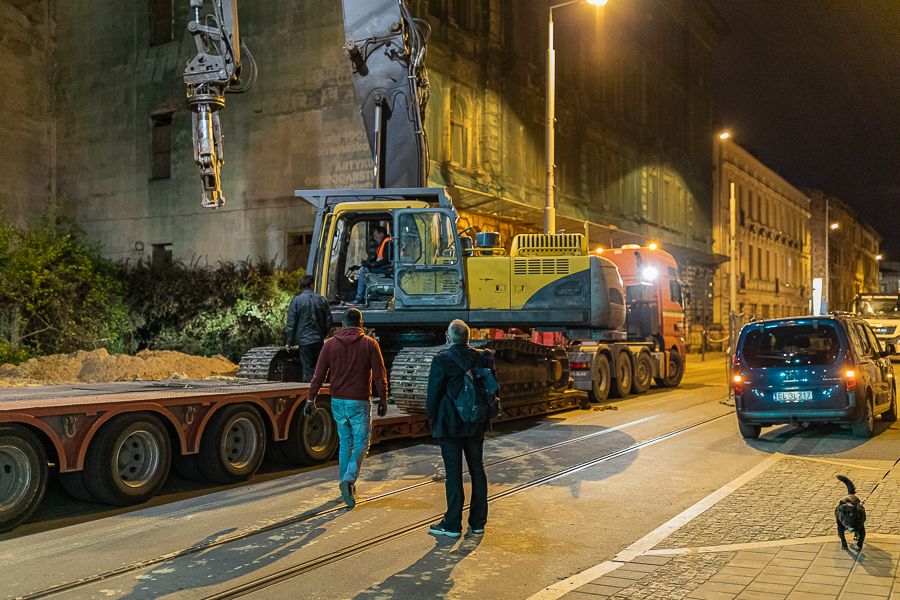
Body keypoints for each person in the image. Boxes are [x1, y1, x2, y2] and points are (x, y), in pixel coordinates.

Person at [306, 308, 388, 508]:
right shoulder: (370, 344)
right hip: (359, 402)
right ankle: (348, 480)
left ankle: (345, 485)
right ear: (361, 324)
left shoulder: (329, 345)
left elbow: (318, 375)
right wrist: (383, 398)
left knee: (345, 444)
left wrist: (311, 399)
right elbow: (379, 374)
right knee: (362, 442)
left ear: (342, 324)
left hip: (338, 402)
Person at [426, 319, 496, 538]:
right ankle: (478, 523)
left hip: (449, 426)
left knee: (453, 473)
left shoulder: (442, 360)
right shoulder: (482, 357)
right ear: (468, 338)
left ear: (449, 338)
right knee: (477, 470)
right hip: (476, 423)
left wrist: (432, 420)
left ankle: (452, 524)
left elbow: (433, 395)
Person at [285, 274, 333, 382]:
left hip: (304, 340)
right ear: (312, 285)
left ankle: (310, 393)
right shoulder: (321, 299)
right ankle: (320, 391)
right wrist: (322, 334)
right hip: (318, 339)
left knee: (308, 369)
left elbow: (291, 323)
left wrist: (289, 341)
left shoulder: (296, 301)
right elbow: (329, 321)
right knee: (319, 367)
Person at [353, 226, 394, 305]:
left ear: (381, 234)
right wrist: (367, 264)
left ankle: (359, 298)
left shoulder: (388, 243)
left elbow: (386, 260)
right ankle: (366, 296)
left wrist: (371, 265)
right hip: (383, 267)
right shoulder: (383, 243)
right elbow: (377, 259)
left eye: (376, 235)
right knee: (363, 269)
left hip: (387, 269)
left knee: (363, 271)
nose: (374, 238)